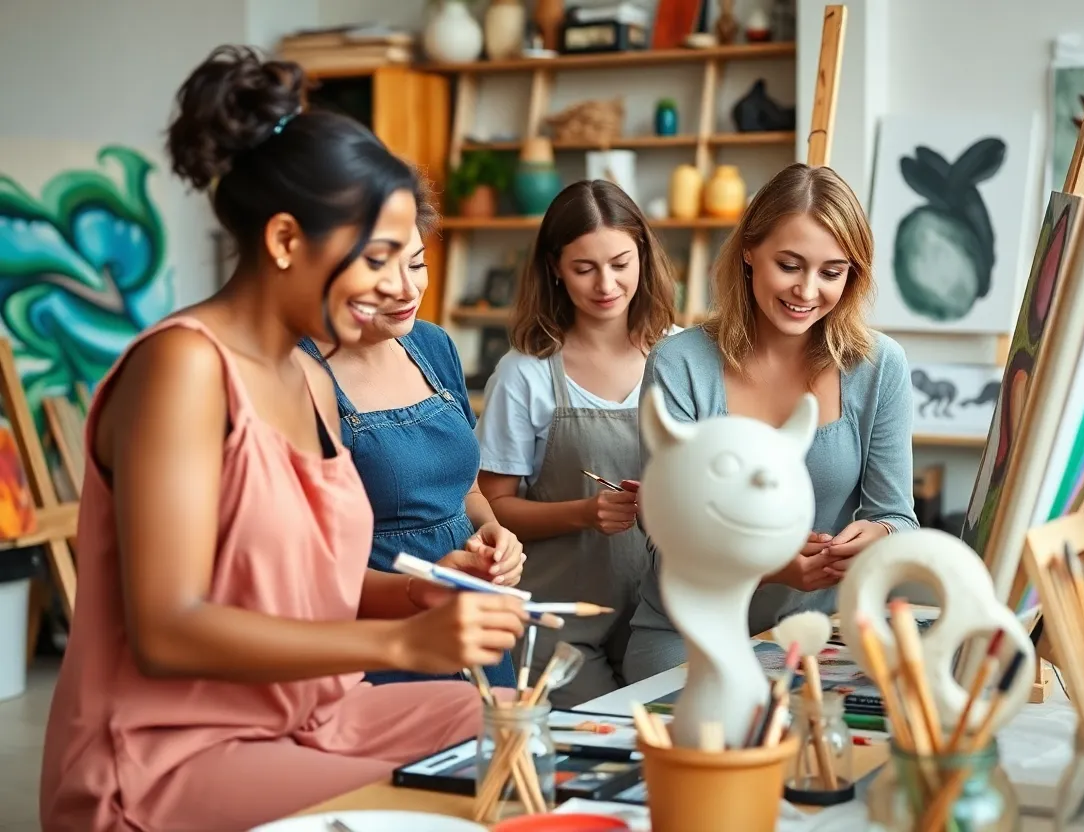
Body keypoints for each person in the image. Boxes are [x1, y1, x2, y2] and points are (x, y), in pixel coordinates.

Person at [40, 46, 527, 832]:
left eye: (409, 260)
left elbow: (311, 594)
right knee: (437, 799)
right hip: (175, 752)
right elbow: (167, 630)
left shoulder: (308, 381)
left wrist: (427, 590)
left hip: (308, 717)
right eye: (374, 258)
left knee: (504, 726)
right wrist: (404, 645)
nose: (396, 287)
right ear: (285, 241)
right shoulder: (183, 369)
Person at [624, 163, 918, 684]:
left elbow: (896, 515)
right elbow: (662, 527)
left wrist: (877, 535)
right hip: (691, 632)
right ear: (748, 251)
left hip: (826, 632)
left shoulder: (879, 366)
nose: (807, 291)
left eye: (832, 272)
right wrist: (766, 568)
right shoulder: (680, 364)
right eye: (790, 265)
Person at [299, 192, 523, 688]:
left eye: (418, 264)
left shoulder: (432, 344)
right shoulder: (297, 374)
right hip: (377, 633)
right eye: (383, 270)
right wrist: (420, 586)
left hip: (468, 615)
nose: (407, 290)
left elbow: (466, 492)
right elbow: (304, 568)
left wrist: (491, 534)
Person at [476, 180, 678, 707]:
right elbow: (493, 509)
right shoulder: (525, 374)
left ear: (644, 256)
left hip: (664, 619)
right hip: (558, 628)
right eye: (584, 268)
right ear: (554, 270)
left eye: (620, 263)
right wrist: (586, 513)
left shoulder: (682, 358)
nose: (606, 284)